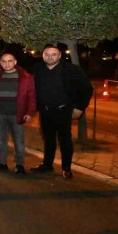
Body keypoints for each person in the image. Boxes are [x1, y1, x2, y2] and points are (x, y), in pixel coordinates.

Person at [32, 44, 93, 179]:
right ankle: (47, 164)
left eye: (53, 54)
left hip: (64, 110)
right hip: (45, 110)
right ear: (43, 55)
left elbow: (87, 89)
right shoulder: (38, 68)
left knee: (65, 140)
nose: (50, 57)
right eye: (47, 54)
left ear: (59, 55)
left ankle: (66, 168)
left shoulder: (72, 70)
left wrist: (79, 107)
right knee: (48, 140)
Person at [0, 52, 37, 174]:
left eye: (10, 61)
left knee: (18, 141)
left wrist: (30, 112)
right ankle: (2, 163)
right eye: (4, 61)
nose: (7, 64)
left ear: (15, 62)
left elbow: (32, 96)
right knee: (1, 140)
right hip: (0, 114)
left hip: (17, 114)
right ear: (0, 63)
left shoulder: (26, 77)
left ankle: (20, 165)